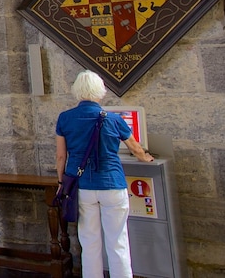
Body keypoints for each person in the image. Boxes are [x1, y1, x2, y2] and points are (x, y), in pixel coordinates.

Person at [55, 70, 153, 278]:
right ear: (100, 91)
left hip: (82, 187)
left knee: (89, 242)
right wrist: (145, 157)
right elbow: (135, 148)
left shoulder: (65, 118)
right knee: (118, 241)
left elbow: (61, 156)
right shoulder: (114, 119)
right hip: (112, 183)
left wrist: (60, 181)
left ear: (77, 92)